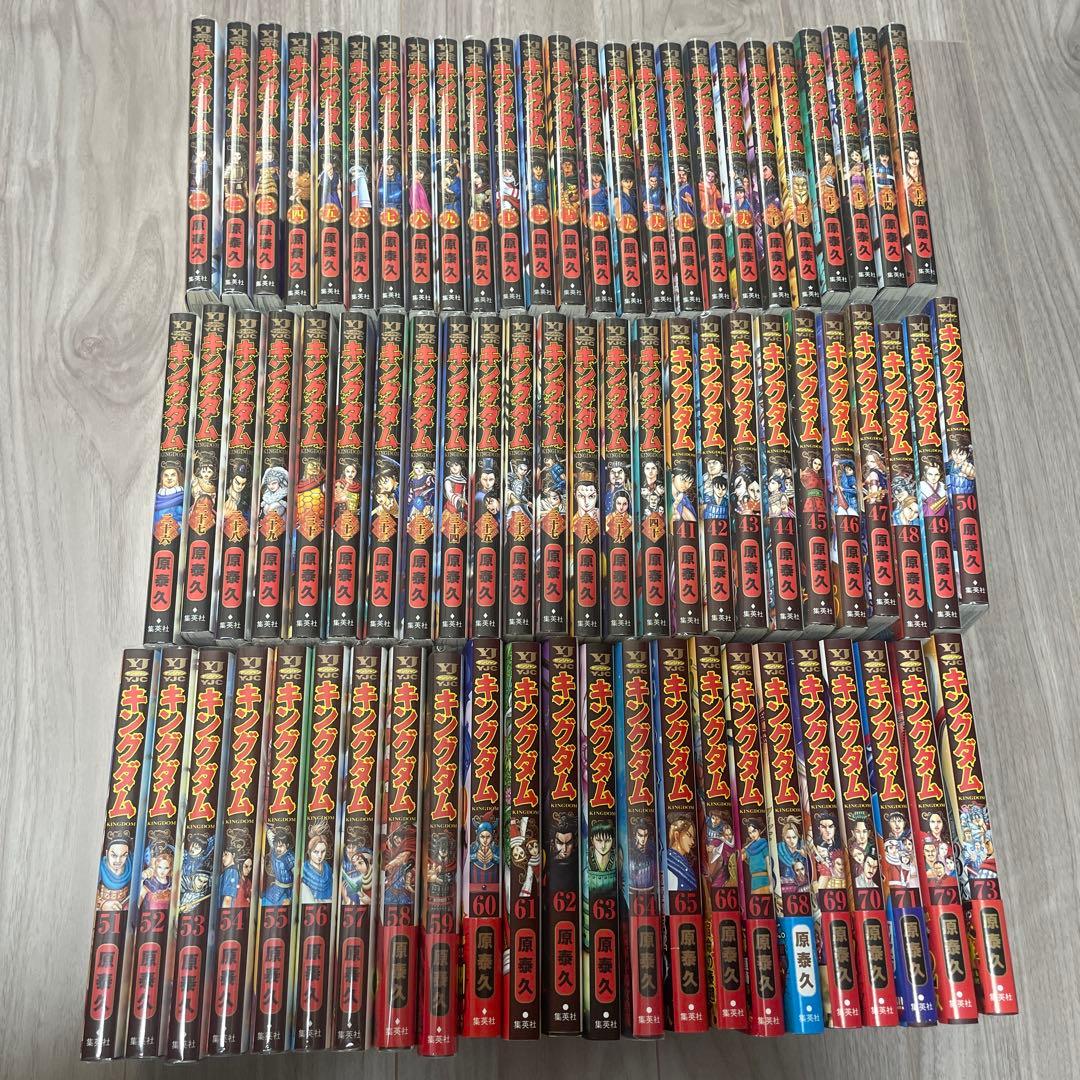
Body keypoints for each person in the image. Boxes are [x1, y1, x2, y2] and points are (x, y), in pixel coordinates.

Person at [96, 835, 132, 910]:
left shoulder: (130, 866)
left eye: (123, 856)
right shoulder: (100, 867)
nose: (118, 861)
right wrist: (103, 904)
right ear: (107, 853)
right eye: (114, 855)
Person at [262, 828, 295, 906]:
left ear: (287, 845)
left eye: (281, 846)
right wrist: (268, 828)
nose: (278, 848)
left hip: (289, 890)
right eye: (276, 846)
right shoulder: (274, 852)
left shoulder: (289, 858)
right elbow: (270, 836)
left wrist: (291, 898)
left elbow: (297, 878)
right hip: (277, 886)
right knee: (265, 901)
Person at [666, 817, 698, 892]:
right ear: (676, 835)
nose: (692, 842)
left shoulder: (684, 862)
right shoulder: (669, 863)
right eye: (689, 835)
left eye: (693, 838)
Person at [301, 832, 333, 903]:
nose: (320, 856)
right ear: (309, 851)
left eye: (323, 851)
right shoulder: (303, 869)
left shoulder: (328, 868)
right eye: (316, 852)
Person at [742, 819, 771, 894]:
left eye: (754, 831)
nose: (752, 834)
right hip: (754, 881)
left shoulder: (764, 845)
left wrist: (771, 882)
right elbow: (740, 857)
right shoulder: (750, 848)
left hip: (764, 880)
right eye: (750, 833)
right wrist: (743, 849)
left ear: (759, 831)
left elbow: (768, 864)